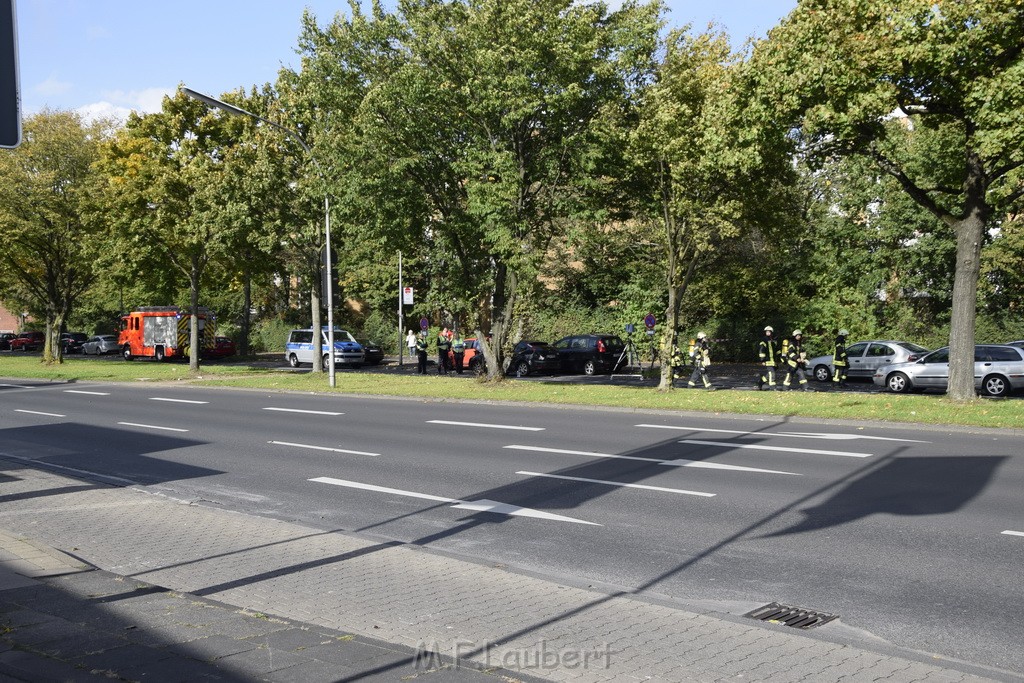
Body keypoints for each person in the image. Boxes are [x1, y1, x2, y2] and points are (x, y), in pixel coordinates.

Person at [757, 325, 779, 390]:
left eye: (769, 332)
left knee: (769, 373)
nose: (768, 333)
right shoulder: (763, 340)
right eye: (767, 332)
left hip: (773, 360)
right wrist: (762, 360)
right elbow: (761, 350)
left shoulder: (773, 341)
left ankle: (760, 382)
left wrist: (781, 357)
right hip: (767, 360)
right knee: (772, 373)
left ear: (771, 332)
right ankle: (773, 387)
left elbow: (776, 350)